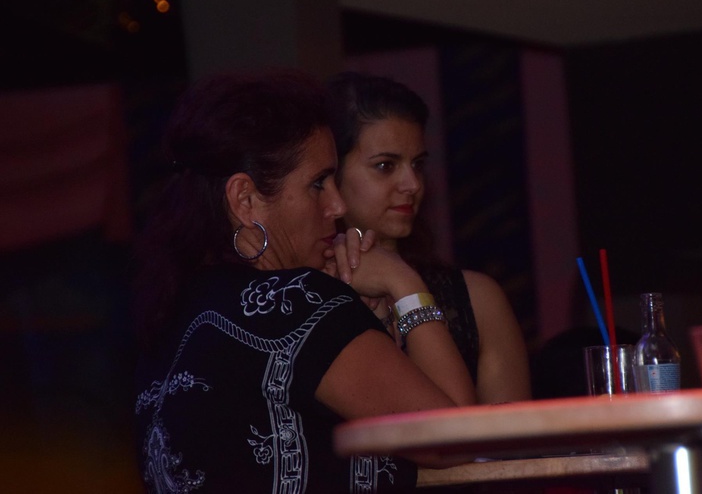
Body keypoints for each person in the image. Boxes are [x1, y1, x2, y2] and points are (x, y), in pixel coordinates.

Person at [132, 70, 476, 493]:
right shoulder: (297, 303)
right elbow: (458, 438)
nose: (337, 205)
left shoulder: (171, 316)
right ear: (245, 199)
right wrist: (403, 282)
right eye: (318, 184)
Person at [326, 71, 531, 404]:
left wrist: (402, 282)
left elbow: (510, 436)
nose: (413, 184)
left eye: (418, 164)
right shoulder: (305, 293)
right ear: (331, 173)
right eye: (385, 166)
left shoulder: (477, 299)